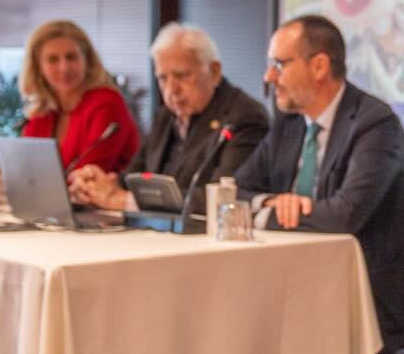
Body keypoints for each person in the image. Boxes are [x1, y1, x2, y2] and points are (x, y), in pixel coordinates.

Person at [234, 15, 404, 354]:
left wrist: (267, 216)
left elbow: (344, 217)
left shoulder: (375, 124)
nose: (269, 77)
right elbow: (237, 189)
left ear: (320, 66)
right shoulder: (289, 122)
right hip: (297, 275)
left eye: (279, 64)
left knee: (262, 321)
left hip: (370, 288)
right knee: (233, 310)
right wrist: (272, 203)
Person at [69, 22, 270, 212]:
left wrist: (124, 201)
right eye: (163, 78)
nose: (171, 90)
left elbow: (222, 198)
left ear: (214, 71)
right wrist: (97, 185)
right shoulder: (167, 115)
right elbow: (134, 176)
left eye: (182, 76)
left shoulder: (244, 118)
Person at [19, 20, 139, 174]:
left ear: (87, 60)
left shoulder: (107, 104)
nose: (64, 68)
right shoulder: (42, 112)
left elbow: (90, 174)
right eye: (53, 59)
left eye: (71, 57)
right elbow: (27, 172)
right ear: (38, 68)